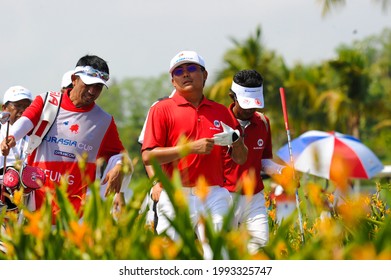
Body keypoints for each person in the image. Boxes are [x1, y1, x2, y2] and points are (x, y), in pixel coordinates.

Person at [141, 50, 248, 259]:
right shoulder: (161, 109)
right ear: (173, 81)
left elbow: (241, 158)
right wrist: (190, 148)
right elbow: (148, 156)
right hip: (175, 194)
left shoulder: (221, 112)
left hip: (213, 193)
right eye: (178, 71)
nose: (185, 74)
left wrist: (236, 141)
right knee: (169, 258)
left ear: (205, 75)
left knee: (219, 257)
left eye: (191, 68)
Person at [1, 55, 131, 222]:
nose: (92, 91)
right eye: (88, 84)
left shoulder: (104, 120)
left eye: (98, 86)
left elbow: (119, 154)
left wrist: (119, 166)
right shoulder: (47, 101)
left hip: (76, 213)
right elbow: (27, 119)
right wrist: (13, 136)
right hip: (36, 205)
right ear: (74, 79)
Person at [222, 69, 296, 254]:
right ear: (233, 96)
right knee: (224, 255)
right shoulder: (218, 121)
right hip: (224, 197)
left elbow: (263, 161)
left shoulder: (263, 122)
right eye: (246, 104)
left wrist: (282, 172)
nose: (250, 109)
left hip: (254, 198)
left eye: (255, 104)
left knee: (260, 251)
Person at [0, 86, 33, 211]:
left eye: (27, 107)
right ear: (4, 108)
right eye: (18, 106)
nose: (23, 111)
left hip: (28, 197)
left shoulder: (36, 133)